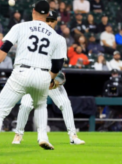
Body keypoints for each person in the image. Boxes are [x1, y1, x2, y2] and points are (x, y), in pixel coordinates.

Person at [0, 0, 67, 151]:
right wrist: (50, 78)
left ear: (33, 11)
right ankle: (42, 137)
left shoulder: (20, 26)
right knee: (40, 105)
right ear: (47, 15)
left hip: (21, 72)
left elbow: (5, 47)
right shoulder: (56, 36)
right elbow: (58, 64)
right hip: (43, 74)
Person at [12, 11, 85, 145]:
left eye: (52, 20)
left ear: (56, 22)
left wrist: (56, 78)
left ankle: (73, 136)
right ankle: (18, 134)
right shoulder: (33, 35)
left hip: (51, 78)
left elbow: (59, 63)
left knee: (65, 103)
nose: (50, 23)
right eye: (47, 20)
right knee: (26, 105)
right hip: (35, 77)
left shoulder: (58, 39)